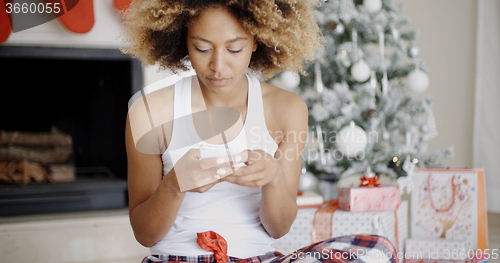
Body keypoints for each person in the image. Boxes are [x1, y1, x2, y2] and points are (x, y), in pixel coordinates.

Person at [122, 1, 398, 263]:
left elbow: (279, 228)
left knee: (378, 250)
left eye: (234, 49)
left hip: (259, 258)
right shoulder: (148, 110)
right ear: (183, 40)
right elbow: (145, 233)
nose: (218, 66)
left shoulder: (287, 109)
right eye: (202, 48)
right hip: (180, 258)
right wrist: (174, 184)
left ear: (256, 41)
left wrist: (274, 178)